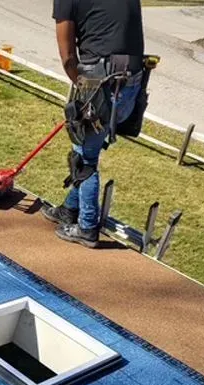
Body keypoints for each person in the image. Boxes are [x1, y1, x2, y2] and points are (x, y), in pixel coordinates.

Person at [43, 0, 145, 248]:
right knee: (85, 148)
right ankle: (70, 208)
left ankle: (87, 227)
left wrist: (83, 90)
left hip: (101, 81)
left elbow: (68, 57)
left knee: (85, 161)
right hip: (131, 82)